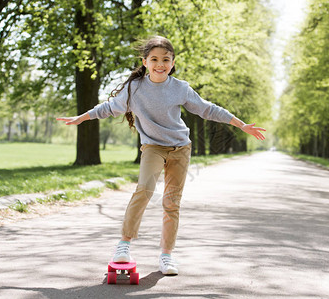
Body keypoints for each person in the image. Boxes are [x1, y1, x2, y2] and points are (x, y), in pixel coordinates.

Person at [56, 36, 266, 275]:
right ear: (144, 61)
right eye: (154, 59)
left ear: (173, 62)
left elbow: (208, 109)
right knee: (144, 189)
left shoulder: (180, 88)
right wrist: (81, 117)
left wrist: (241, 124)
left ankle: (166, 256)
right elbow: (108, 107)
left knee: (171, 203)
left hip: (180, 148)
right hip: (153, 147)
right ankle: (123, 245)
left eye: (165, 59)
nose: (160, 64)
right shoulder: (134, 89)